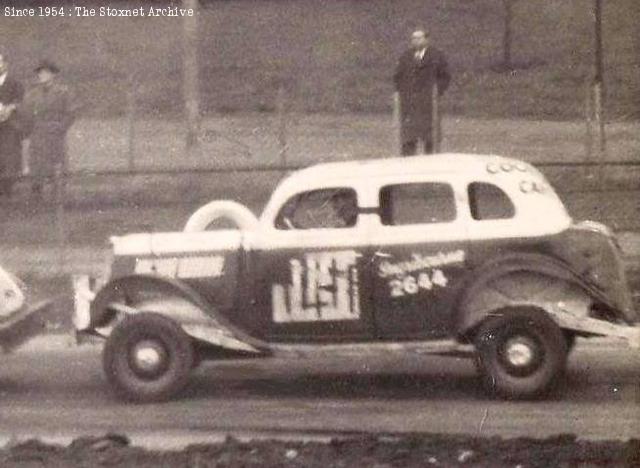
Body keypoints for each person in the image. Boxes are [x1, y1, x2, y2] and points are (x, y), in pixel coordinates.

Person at [24, 60, 79, 197]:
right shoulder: (32, 94)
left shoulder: (63, 92)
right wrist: (30, 128)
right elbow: (26, 112)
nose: (42, 76)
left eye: (46, 73)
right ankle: (36, 196)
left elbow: (71, 113)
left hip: (55, 133)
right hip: (37, 133)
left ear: (53, 75)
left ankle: (58, 197)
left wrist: (61, 127)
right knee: (36, 164)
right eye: (40, 73)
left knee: (57, 163)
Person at [393, 29, 451, 156]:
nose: (416, 41)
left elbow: (445, 76)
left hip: (429, 103)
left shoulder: (437, 56)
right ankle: (407, 164)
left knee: (430, 137)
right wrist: (402, 92)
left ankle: (430, 163)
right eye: (413, 38)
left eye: (419, 38)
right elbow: (397, 76)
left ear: (426, 39)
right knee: (409, 137)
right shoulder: (406, 56)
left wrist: (436, 91)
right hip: (410, 104)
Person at [0, 53, 26, 197]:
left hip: (9, 127)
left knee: (8, 159)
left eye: (0, 62)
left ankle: (7, 192)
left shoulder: (15, 83)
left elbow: (21, 102)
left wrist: (10, 108)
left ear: (6, 64)